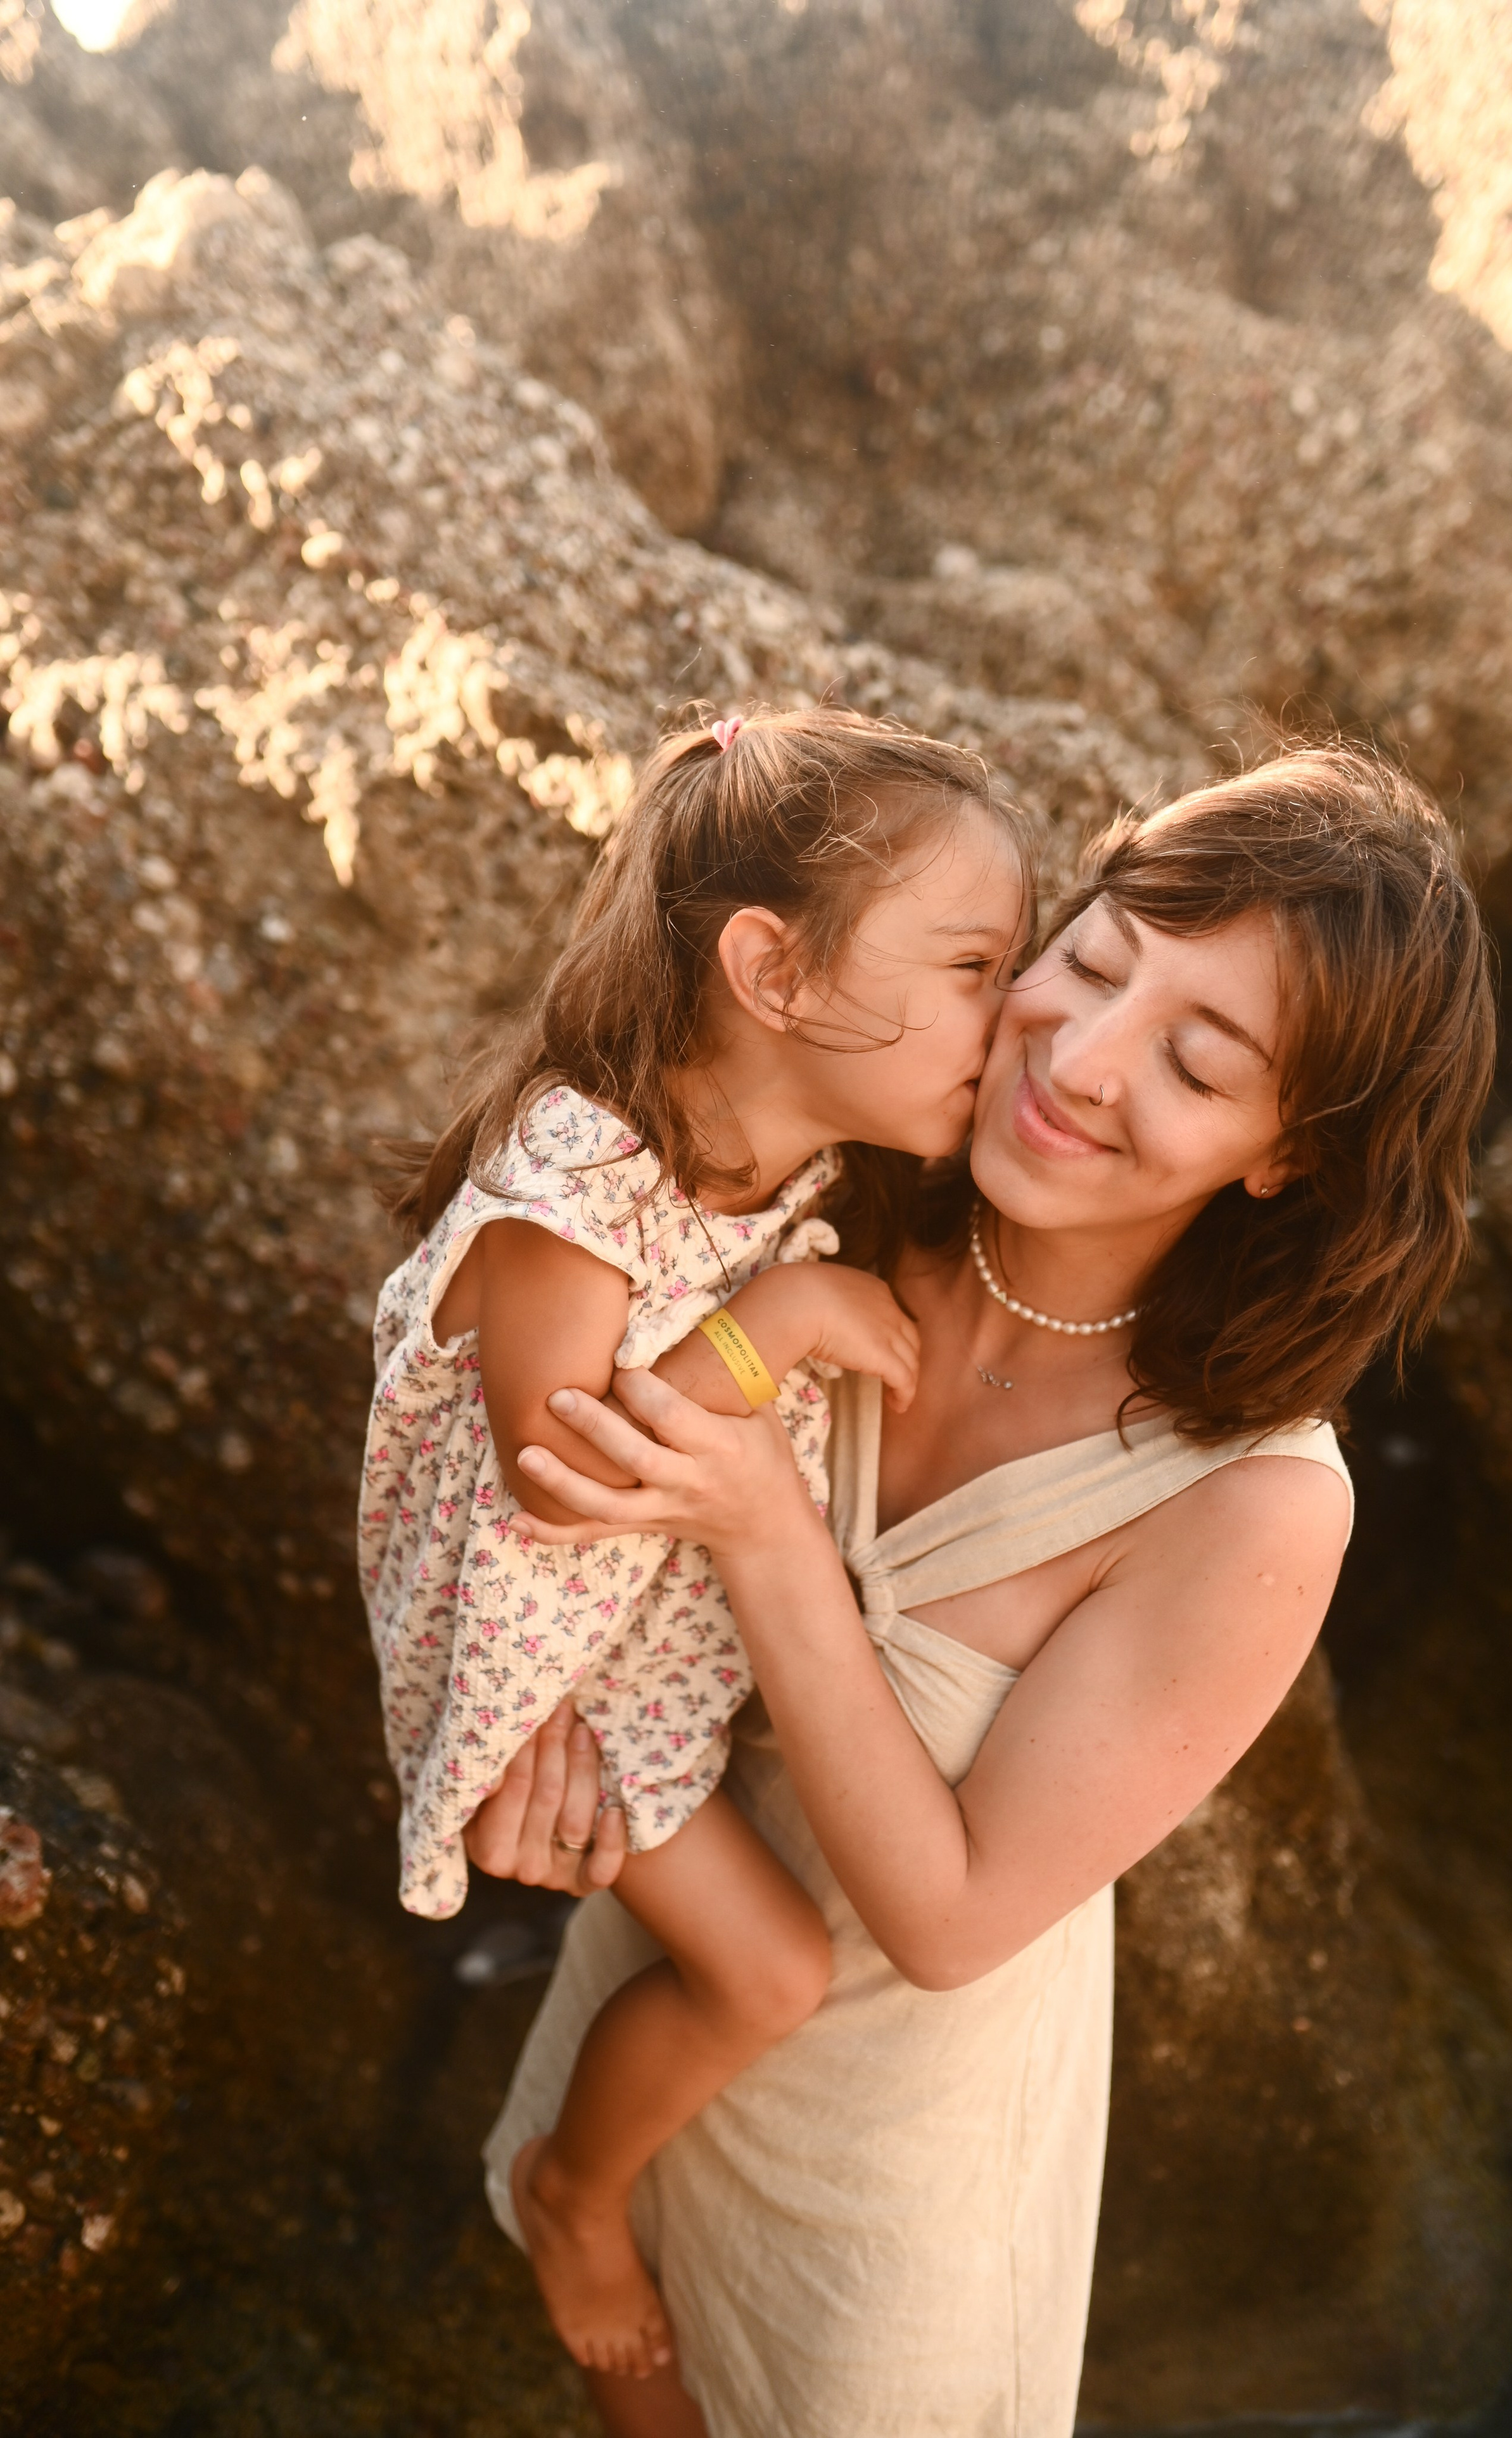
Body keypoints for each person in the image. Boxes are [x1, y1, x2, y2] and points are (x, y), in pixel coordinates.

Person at [473, 744, 1497, 2438]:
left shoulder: (1248, 1501)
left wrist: (764, 1527)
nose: (1079, 1063)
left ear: (1285, 1154)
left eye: (1194, 1060)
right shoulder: (849, 1197)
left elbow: (951, 1921)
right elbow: (526, 1445)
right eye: (1090, 964)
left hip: (886, 2186)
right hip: (654, 2016)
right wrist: (529, 1729)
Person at [360, 705, 1030, 2377]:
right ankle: (575, 2193)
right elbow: (559, 1474)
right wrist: (784, 1321)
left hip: (634, 1634)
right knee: (774, 1974)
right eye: (971, 964)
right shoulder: (577, 1172)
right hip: (533, 1652)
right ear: (773, 972)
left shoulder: (802, 1167)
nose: (1010, 1018)